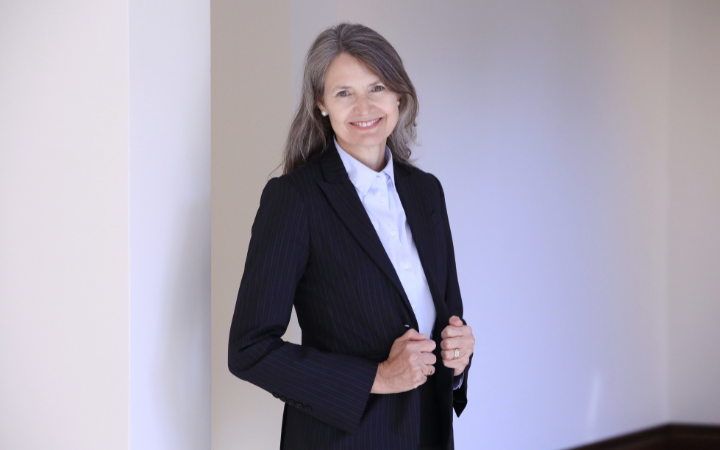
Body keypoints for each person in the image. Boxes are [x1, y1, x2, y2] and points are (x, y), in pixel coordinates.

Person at [228, 22, 475, 450]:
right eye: (344, 93)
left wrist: (459, 356)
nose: (365, 106)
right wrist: (378, 377)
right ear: (321, 103)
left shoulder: (427, 192)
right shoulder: (295, 199)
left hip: (428, 434)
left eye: (377, 87)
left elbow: (444, 318)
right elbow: (250, 349)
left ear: (398, 95)